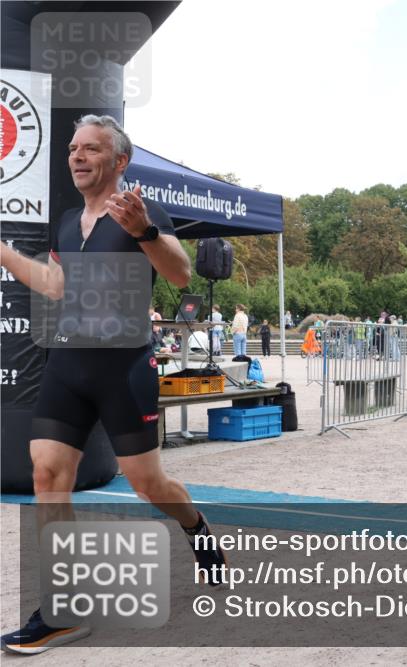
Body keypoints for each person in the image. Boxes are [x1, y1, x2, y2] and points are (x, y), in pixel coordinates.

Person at [0, 115, 227, 654]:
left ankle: (195, 525)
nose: (77, 157)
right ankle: (63, 610)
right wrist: (5, 252)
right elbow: (55, 285)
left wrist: (144, 231)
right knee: (47, 475)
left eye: (91, 149)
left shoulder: (141, 211)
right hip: (67, 366)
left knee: (148, 485)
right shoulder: (66, 222)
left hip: (122, 370)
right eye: (72, 149)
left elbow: (180, 274)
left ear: (119, 161)